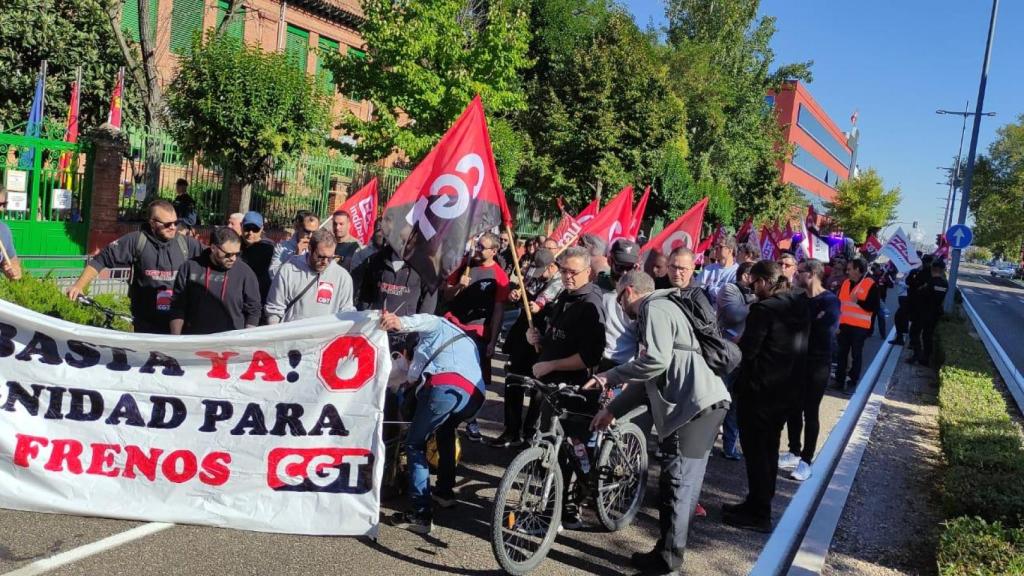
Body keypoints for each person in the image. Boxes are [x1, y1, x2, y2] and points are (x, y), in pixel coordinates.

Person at [589, 271, 730, 575]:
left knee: (678, 486)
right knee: (684, 486)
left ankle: (667, 564)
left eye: (618, 296)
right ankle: (665, 553)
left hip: (694, 408)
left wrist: (609, 377)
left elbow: (655, 362)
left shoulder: (654, 308)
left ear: (628, 291)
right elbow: (649, 378)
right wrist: (613, 409)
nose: (618, 305)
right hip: (705, 404)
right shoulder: (666, 307)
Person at [722, 260, 810, 533]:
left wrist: (730, 346)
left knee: (757, 451)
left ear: (762, 281)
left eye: (754, 284)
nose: (752, 289)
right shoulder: (799, 304)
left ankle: (759, 512)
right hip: (786, 390)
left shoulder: (763, 309)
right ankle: (756, 503)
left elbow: (748, 351)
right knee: (769, 450)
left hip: (759, 390)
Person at [381, 312, 485, 534]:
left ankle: (420, 514)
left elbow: (412, 375)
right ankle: (445, 492)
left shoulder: (435, 326)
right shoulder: (466, 338)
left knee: (414, 443)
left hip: (444, 387)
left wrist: (399, 322)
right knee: (446, 430)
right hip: (474, 397)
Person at [525, 246, 606, 530]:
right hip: (551, 387)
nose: (567, 276)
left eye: (573, 272)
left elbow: (589, 356)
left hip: (577, 389)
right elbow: (554, 333)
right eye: (563, 270)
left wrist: (552, 365)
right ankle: (557, 507)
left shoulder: (591, 304)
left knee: (573, 453)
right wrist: (536, 336)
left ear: (588, 272)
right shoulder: (565, 295)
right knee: (550, 448)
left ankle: (566, 508)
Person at [67, 200, 203, 333]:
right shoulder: (136, 241)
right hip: (145, 324)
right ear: (152, 223)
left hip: (178, 325)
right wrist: (78, 286)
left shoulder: (186, 244)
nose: (173, 227)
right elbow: (101, 259)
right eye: (167, 224)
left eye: (176, 222)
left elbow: (214, 257)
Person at [442, 232, 509, 442]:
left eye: (483, 247)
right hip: (453, 327)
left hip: (477, 334)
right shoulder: (465, 264)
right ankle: (444, 416)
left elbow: (499, 311)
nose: (477, 250)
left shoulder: (500, 276)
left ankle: (471, 420)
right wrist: (458, 286)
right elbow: (446, 294)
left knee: (474, 380)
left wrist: (492, 340)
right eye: (477, 245)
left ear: (494, 251)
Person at [491, 248, 562, 447]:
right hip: (522, 334)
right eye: (534, 269)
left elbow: (545, 297)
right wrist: (516, 295)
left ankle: (531, 433)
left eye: (542, 271)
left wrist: (537, 305)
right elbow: (525, 289)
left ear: (552, 266)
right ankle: (511, 431)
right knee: (514, 381)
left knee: (539, 389)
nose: (537, 273)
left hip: (543, 338)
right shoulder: (533, 271)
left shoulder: (559, 281)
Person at [779, 258, 840, 481]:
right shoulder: (798, 299)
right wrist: (810, 321)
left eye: (800, 272)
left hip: (818, 363)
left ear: (812, 273)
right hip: (796, 361)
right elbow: (789, 326)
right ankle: (794, 450)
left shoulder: (830, 301)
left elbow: (826, 329)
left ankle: (806, 460)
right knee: (792, 407)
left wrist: (804, 324)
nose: (796, 275)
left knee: (810, 411)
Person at [169, 227, 261, 335]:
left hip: (231, 342)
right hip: (194, 339)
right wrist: (176, 337)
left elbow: (253, 310)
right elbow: (178, 306)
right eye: (228, 254)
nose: (233, 258)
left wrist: (246, 340)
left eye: (237, 253)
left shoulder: (245, 272)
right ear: (213, 248)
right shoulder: (190, 267)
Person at [264, 230, 354, 324]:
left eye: (330, 257)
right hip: (293, 337)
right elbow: (274, 310)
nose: (325, 262)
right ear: (310, 249)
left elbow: (346, 312)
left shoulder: (343, 277)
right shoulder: (288, 271)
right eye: (320, 257)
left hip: (326, 338)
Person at [715, 260, 757, 461]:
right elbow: (735, 314)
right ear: (746, 276)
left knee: (736, 403)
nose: (759, 283)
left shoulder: (752, 295)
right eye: (756, 278)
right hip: (726, 353)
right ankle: (704, 439)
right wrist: (757, 302)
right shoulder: (729, 289)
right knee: (719, 398)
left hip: (745, 355)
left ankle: (730, 447)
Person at [834, 258, 880, 393]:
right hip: (844, 325)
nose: (847, 272)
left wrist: (859, 302)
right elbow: (840, 303)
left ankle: (852, 381)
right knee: (841, 354)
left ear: (858, 270)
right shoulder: (846, 283)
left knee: (856, 354)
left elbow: (874, 307)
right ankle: (839, 380)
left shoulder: (870, 283)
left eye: (850, 269)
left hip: (860, 327)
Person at [908, 259, 948, 366]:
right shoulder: (945, 284)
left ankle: (917, 354)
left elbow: (918, 295)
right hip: (935, 314)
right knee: (928, 336)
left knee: (914, 333)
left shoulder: (929, 283)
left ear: (932, 269)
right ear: (943, 270)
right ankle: (926, 358)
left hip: (922, 313)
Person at [239, 211, 275, 312]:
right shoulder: (234, 244)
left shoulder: (268, 248)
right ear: (241, 226)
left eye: (255, 229)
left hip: (259, 299)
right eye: (247, 228)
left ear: (262, 229)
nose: (250, 233)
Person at [896, 254, 933, 347]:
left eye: (925, 262)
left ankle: (915, 349)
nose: (924, 263)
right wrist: (913, 274)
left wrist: (913, 277)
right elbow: (910, 282)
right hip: (913, 301)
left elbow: (914, 285)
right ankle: (902, 339)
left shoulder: (928, 274)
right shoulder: (921, 271)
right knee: (901, 318)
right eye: (924, 261)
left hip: (919, 304)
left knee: (915, 328)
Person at [269, 212, 319, 278]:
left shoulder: (319, 248)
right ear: (298, 227)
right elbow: (272, 275)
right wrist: (294, 257)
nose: (310, 236)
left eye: (314, 232)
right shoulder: (282, 247)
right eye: (307, 231)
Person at [699, 235, 738, 302]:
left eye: (720, 247)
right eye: (716, 247)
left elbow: (730, 294)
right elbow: (697, 288)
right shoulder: (708, 269)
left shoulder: (737, 271)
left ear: (730, 251)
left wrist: (709, 288)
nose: (716, 249)